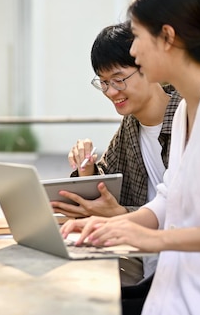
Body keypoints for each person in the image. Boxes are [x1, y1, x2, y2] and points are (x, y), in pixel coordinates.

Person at [61, 0, 200, 315]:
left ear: (167, 38)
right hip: (180, 296)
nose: (133, 50)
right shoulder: (187, 106)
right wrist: (109, 226)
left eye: (138, 36)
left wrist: (155, 240)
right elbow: (169, 200)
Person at [52, 22, 182, 286]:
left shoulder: (187, 117)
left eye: (119, 79)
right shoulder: (131, 125)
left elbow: (186, 212)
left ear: (148, 66)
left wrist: (121, 214)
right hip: (141, 255)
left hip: (179, 262)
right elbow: (106, 185)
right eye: (103, 82)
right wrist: (86, 170)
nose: (111, 92)